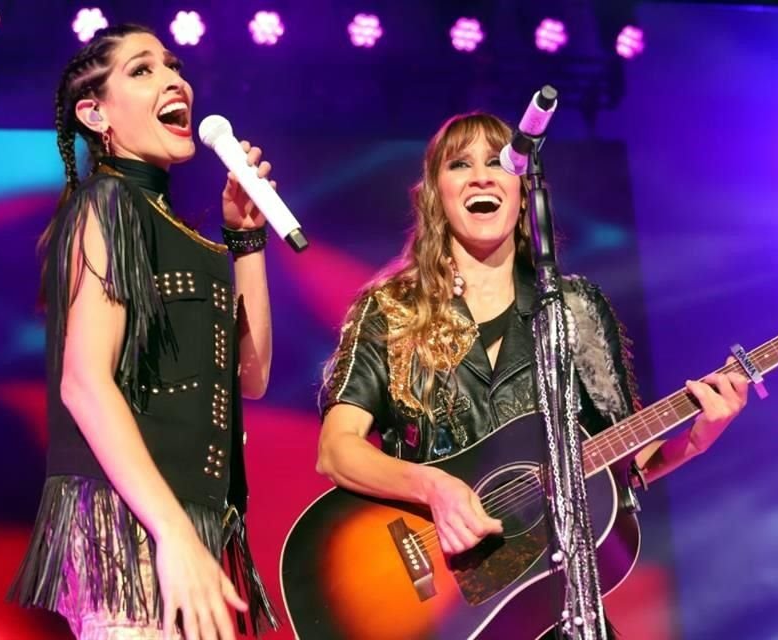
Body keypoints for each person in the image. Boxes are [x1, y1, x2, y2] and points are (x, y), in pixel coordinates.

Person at [315, 112, 750, 636]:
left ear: (524, 191)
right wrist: (431, 485)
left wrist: (699, 439)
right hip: (448, 607)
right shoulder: (389, 310)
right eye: (460, 164)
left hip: (558, 604)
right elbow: (336, 450)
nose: (480, 176)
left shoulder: (575, 309)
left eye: (498, 163)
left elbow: (626, 465)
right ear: (437, 194)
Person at [9, 23, 279, 640]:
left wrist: (247, 239)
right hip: (128, 525)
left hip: (188, 523)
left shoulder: (188, 236)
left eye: (172, 66)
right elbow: (83, 380)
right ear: (95, 112)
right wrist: (174, 535)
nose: (173, 79)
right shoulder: (107, 204)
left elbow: (255, 377)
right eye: (142, 70)